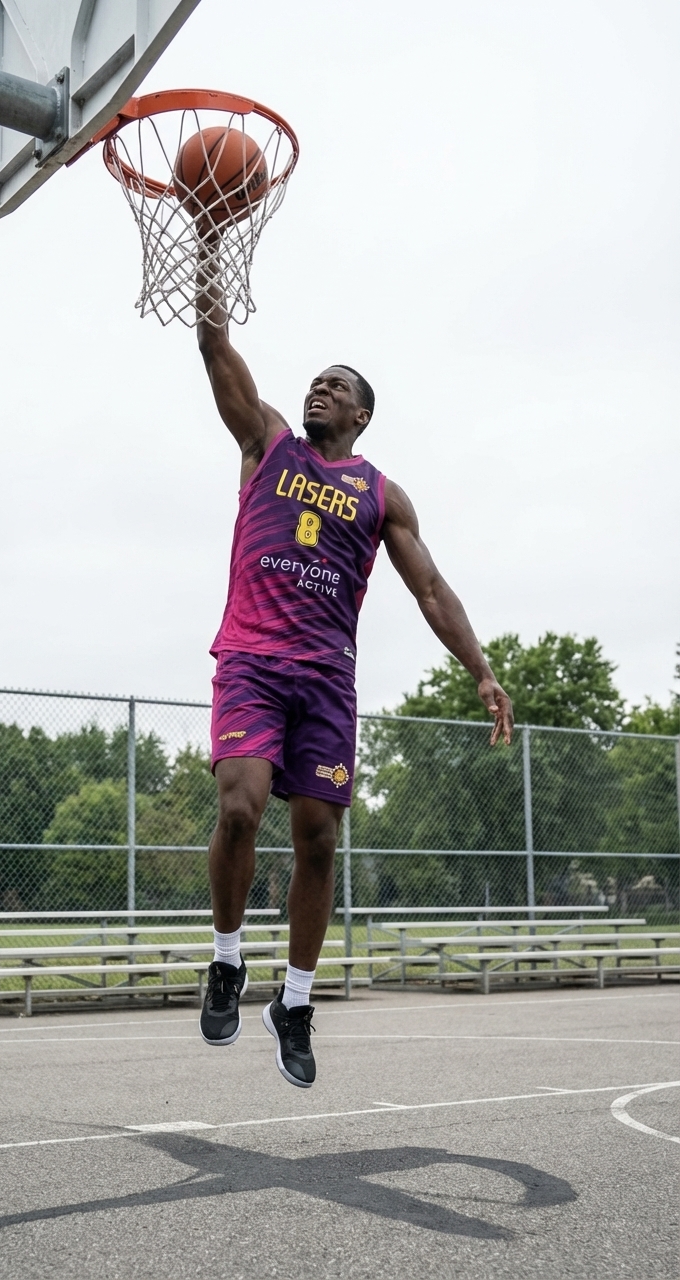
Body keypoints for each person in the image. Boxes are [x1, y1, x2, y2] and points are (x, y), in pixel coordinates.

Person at [195, 269, 513, 1089]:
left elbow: (431, 589)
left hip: (327, 681)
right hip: (254, 661)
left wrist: (481, 670)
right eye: (315, 382)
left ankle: (293, 1004)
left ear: (360, 414)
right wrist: (207, 247)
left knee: (320, 839)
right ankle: (227, 959)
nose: (318, 389)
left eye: (335, 387)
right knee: (240, 807)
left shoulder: (380, 494)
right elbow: (214, 346)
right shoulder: (266, 443)